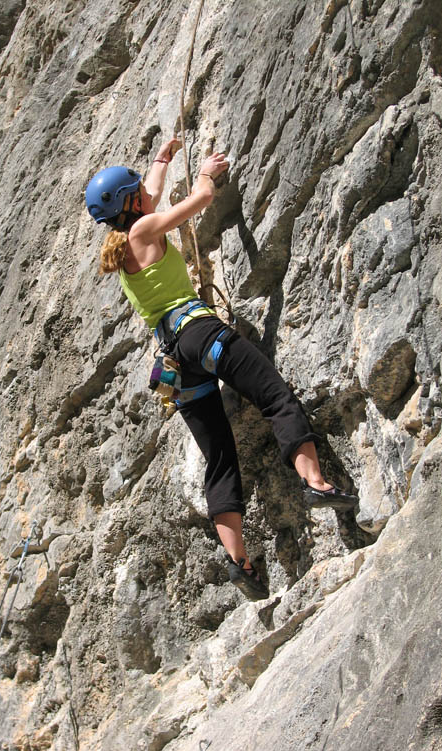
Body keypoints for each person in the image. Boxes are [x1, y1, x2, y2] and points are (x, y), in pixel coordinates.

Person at [85, 138, 357, 601]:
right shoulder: (145, 229)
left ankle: (240, 564)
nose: (146, 194)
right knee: (272, 394)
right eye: (139, 192)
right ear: (131, 203)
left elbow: (148, 194)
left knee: (220, 458)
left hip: (174, 361)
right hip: (199, 334)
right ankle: (316, 483)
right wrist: (207, 173)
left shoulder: (127, 244)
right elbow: (201, 201)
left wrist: (161, 161)